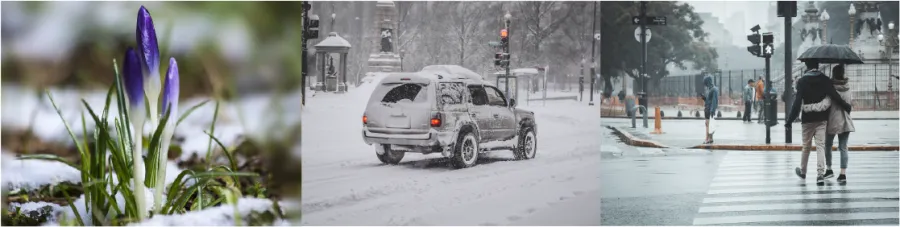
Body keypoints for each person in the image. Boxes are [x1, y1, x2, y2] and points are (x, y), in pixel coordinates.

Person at [785, 61, 852, 186]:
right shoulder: (825, 80)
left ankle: (803, 171)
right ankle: (820, 175)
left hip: (807, 119)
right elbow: (834, 95)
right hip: (822, 118)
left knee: (806, 146)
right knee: (820, 146)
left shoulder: (802, 81)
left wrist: (789, 120)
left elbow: (797, 102)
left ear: (807, 66)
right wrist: (846, 106)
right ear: (817, 66)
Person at [824, 64, 855, 183]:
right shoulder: (848, 86)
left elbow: (827, 104)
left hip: (832, 120)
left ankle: (829, 169)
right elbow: (850, 103)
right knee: (843, 147)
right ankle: (843, 174)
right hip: (846, 120)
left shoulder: (831, 88)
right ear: (843, 74)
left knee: (828, 145)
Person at [703, 75, 719, 144]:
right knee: (709, 124)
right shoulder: (711, 89)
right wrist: (704, 98)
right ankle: (710, 138)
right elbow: (709, 100)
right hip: (708, 108)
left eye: (706, 83)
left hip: (709, 109)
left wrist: (712, 109)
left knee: (708, 124)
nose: (705, 84)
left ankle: (707, 139)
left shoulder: (713, 89)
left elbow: (714, 100)